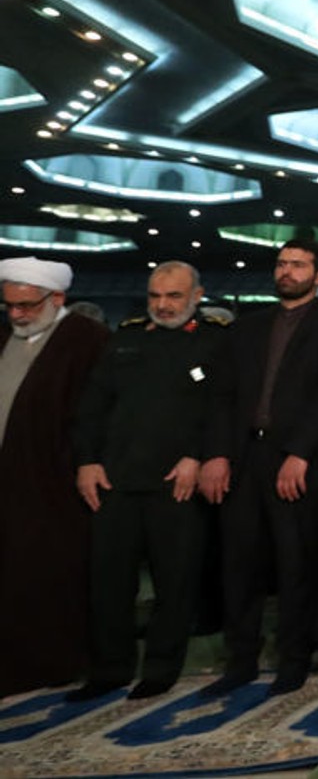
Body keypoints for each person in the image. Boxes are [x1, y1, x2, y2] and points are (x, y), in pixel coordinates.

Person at [200, 238, 318, 696]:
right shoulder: (247, 328)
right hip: (244, 459)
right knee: (239, 565)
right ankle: (241, 661)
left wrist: (300, 453)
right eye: (282, 264)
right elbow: (222, 396)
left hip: (300, 462)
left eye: (298, 265)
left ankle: (294, 659)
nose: (287, 272)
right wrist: (217, 454)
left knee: (296, 565)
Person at [67, 262, 226, 702]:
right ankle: (109, 669)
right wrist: (87, 461)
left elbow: (222, 409)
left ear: (197, 296)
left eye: (174, 296)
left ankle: (160, 668)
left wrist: (198, 455)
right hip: (115, 480)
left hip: (177, 483)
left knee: (175, 582)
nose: (163, 305)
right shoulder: (126, 338)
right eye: (156, 296)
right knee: (108, 582)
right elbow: (92, 408)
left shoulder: (216, 342)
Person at [0, 257, 109, 698]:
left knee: (47, 577)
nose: (18, 314)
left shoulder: (87, 339)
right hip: (9, 481)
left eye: (27, 305)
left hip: (54, 483)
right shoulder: (6, 335)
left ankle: (51, 664)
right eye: (10, 305)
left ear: (57, 298)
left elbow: (96, 412)